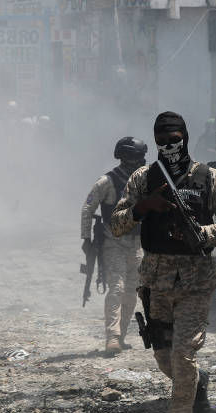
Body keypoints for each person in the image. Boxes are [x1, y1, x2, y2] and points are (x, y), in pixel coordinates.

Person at [110, 111, 216, 413]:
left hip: (196, 281)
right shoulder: (143, 177)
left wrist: (203, 234)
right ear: (155, 140)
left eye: (175, 135)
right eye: (163, 137)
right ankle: (198, 385)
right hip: (155, 282)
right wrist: (143, 208)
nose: (170, 143)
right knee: (165, 358)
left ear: (185, 135)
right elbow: (117, 225)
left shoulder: (208, 177)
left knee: (183, 358)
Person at [81, 136, 148, 356]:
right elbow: (88, 208)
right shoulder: (107, 181)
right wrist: (86, 239)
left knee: (132, 291)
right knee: (117, 288)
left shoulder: (145, 180)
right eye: (137, 157)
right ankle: (112, 337)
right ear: (126, 157)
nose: (141, 161)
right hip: (114, 242)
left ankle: (121, 334)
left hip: (137, 244)